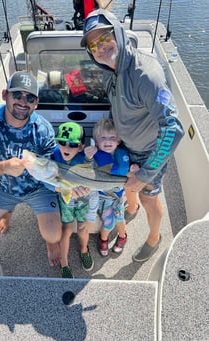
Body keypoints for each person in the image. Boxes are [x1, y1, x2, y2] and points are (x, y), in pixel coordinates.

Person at [81, 9, 184, 262]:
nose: (100, 47)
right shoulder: (109, 71)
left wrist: (146, 174)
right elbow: (115, 110)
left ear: (117, 33)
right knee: (129, 189)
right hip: (124, 147)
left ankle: (154, 238)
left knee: (149, 198)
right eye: (93, 44)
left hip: (150, 153)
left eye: (104, 37)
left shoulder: (147, 74)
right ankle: (132, 207)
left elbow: (173, 128)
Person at [0, 71, 87, 267]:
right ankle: (7, 210)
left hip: (38, 189)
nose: (23, 101)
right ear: (5, 95)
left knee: (54, 235)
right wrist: (4, 167)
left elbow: (50, 172)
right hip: (4, 186)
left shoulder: (44, 129)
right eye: (17, 95)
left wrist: (67, 188)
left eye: (30, 97)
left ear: (36, 103)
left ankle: (49, 242)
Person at [85, 118, 137, 256]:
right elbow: (88, 169)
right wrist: (89, 158)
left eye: (112, 138)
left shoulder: (122, 154)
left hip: (118, 197)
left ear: (118, 141)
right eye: (103, 138)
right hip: (102, 198)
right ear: (96, 141)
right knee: (109, 222)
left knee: (120, 219)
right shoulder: (95, 155)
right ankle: (104, 239)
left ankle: (122, 237)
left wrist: (133, 169)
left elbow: (128, 171)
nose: (108, 141)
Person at [53, 121, 99, 278]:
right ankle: (64, 262)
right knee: (65, 230)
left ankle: (84, 249)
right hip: (66, 201)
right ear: (56, 142)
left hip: (83, 201)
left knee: (82, 228)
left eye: (72, 144)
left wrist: (91, 215)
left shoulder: (84, 160)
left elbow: (93, 183)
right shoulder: (53, 155)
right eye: (62, 142)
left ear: (80, 146)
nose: (66, 148)